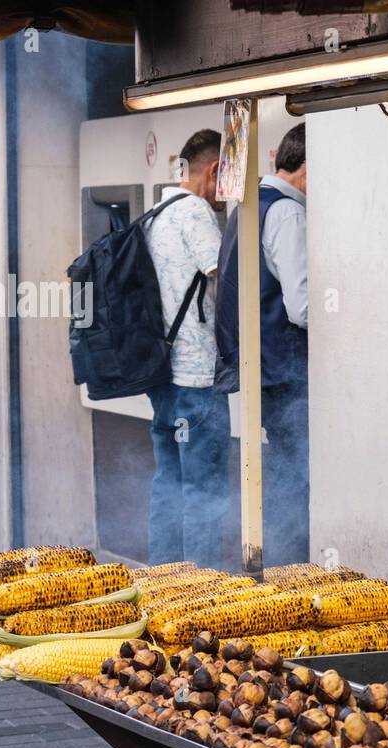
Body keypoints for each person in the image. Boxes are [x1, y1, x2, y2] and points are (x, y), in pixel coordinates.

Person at [216, 122, 310, 566]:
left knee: (283, 474)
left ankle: (275, 568)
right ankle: (293, 571)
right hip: (289, 372)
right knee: (299, 478)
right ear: (307, 169)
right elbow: (303, 306)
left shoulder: (247, 206)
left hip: (262, 370)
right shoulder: (288, 213)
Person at [144, 128, 229, 569]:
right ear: (214, 169)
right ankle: (200, 590)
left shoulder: (156, 212)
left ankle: (162, 581)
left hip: (160, 377)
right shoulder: (196, 213)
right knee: (204, 488)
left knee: (169, 482)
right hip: (196, 379)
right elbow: (225, 280)